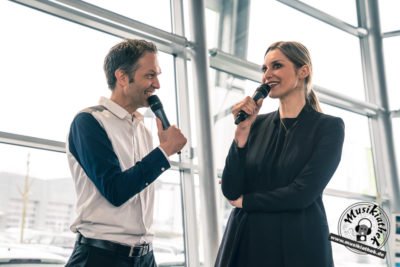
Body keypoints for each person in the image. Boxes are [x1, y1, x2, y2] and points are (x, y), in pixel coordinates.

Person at [215, 41, 345, 267]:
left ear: (303, 71)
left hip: (296, 244)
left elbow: (303, 193)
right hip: (246, 242)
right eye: (264, 69)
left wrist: (248, 201)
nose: (267, 75)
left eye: (276, 66)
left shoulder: (328, 127)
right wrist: (242, 132)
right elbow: (231, 190)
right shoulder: (254, 124)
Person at [65, 39, 187, 267]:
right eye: (150, 75)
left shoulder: (142, 129)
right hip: (101, 257)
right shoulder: (89, 122)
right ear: (122, 77)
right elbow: (116, 190)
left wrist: (161, 151)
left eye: (157, 75)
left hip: (144, 257)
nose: (157, 85)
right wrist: (164, 152)